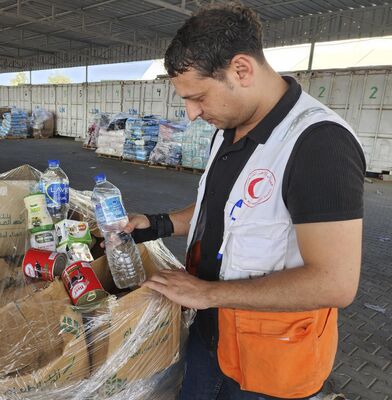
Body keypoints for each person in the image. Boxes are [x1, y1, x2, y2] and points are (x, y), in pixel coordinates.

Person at [126, 3, 365, 400]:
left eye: (198, 96)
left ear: (241, 70)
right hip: (211, 339)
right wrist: (160, 224)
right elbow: (228, 210)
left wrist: (207, 294)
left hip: (272, 361)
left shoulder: (319, 144)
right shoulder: (230, 128)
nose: (190, 114)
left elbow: (335, 282)